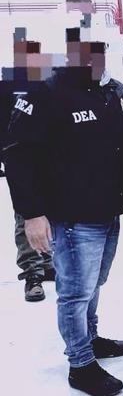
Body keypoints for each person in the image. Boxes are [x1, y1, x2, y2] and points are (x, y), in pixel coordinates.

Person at [3, 22, 123, 395]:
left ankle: (90, 340)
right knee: (75, 292)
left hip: (107, 211)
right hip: (72, 217)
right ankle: (80, 364)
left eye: (100, 50)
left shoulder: (107, 93)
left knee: (93, 285)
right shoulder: (47, 92)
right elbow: (18, 155)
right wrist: (32, 214)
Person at [1, 28, 55, 302]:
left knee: (50, 215)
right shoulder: (6, 87)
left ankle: (47, 263)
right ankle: (32, 273)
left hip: (48, 162)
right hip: (20, 162)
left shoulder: (47, 85)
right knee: (26, 216)